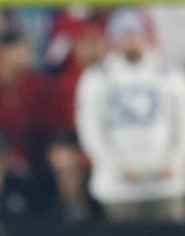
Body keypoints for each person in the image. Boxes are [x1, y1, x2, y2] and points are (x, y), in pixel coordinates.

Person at [75, 7, 185, 223]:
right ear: (113, 39)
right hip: (119, 186)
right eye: (123, 35)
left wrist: (174, 163)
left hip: (166, 183)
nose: (130, 40)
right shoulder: (97, 77)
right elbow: (90, 129)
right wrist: (114, 167)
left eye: (134, 33)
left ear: (144, 35)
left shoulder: (168, 73)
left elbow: (182, 122)